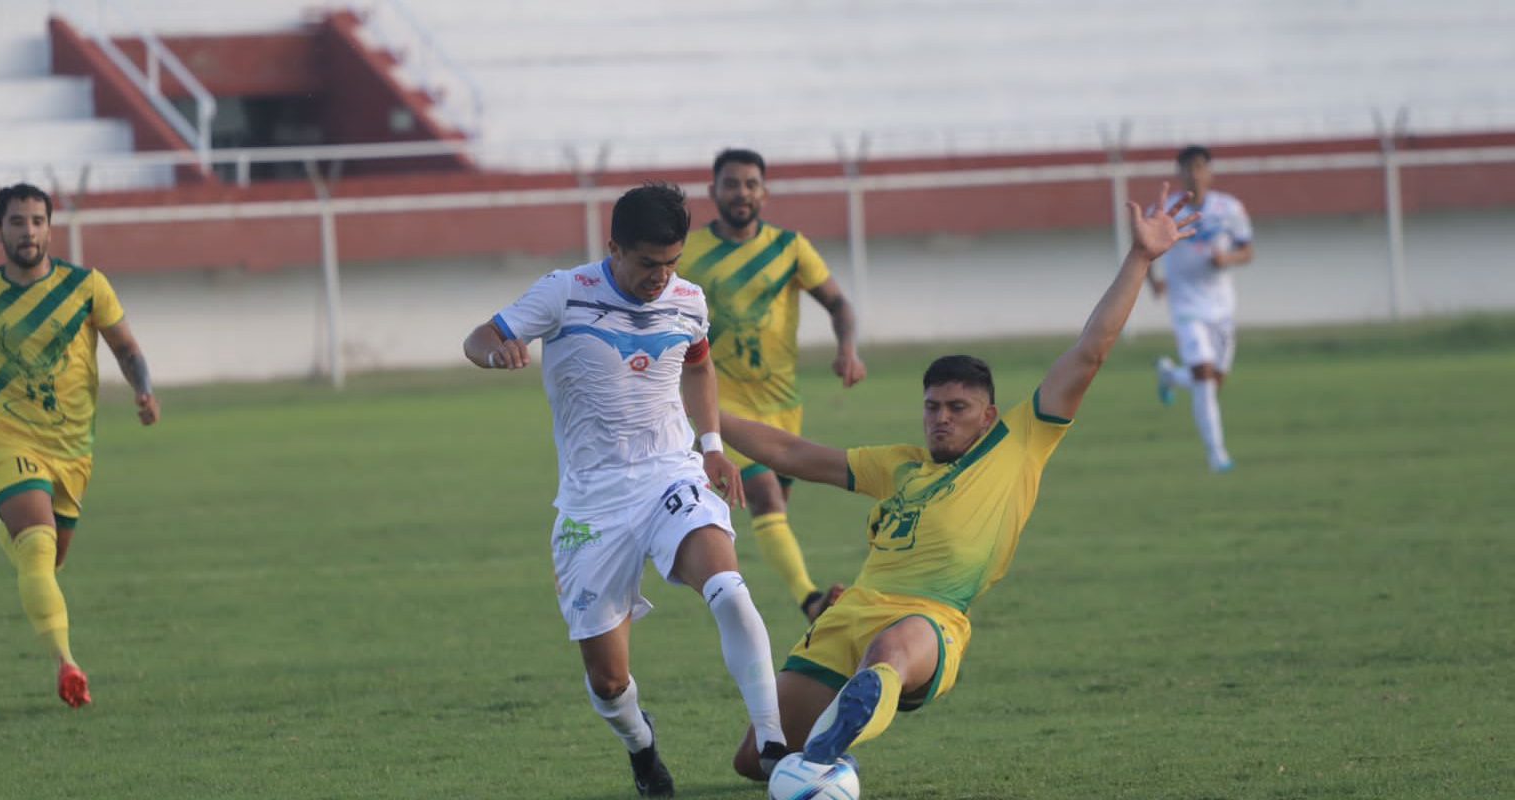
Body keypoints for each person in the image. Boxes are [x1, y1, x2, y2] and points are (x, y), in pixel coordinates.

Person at [723, 184, 1199, 780]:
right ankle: (814, 766)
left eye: (956, 407)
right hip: (849, 614)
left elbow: (1089, 351)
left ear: (988, 415)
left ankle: (828, 754)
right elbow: (792, 451)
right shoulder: (898, 464)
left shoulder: (1019, 442)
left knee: (888, 658)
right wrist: (703, 415)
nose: (941, 418)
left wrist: (1139, 258)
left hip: (931, 617)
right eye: (932, 407)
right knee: (754, 760)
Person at [461, 182, 788, 796]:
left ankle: (773, 741)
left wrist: (712, 447)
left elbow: (698, 365)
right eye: (647, 263)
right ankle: (642, 746)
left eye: (672, 262)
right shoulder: (566, 292)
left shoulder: (690, 300)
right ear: (613, 247)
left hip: (670, 473)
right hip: (592, 501)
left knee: (728, 585)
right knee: (609, 682)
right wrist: (495, 352)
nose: (661, 277)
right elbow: (479, 336)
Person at [0, 183, 161, 708]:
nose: (28, 231)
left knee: (46, 564)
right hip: (6, 434)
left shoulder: (87, 287)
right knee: (37, 546)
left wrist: (143, 388)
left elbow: (127, 348)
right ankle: (67, 664)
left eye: (36, 221)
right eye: (17, 222)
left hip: (73, 447)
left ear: (50, 227)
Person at [679, 148, 866, 622]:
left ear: (764, 191)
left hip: (783, 401)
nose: (741, 193)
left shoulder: (790, 247)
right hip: (723, 400)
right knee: (765, 496)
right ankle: (811, 601)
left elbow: (839, 305)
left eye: (750, 184)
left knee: (774, 509)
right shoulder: (690, 251)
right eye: (731, 184)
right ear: (713, 192)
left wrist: (847, 349)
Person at [1148, 145, 1254, 473]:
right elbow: (1144, 247)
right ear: (1178, 173)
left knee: (1212, 381)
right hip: (1186, 305)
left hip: (1220, 307)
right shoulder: (1165, 210)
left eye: (1199, 166)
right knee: (1204, 377)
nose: (1193, 173)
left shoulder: (1229, 208)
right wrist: (1154, 281)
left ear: (1209, 171)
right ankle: (1217, 455)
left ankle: (1169, 375)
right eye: (1186, 167)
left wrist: (1228, 259)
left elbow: (1247, 250)